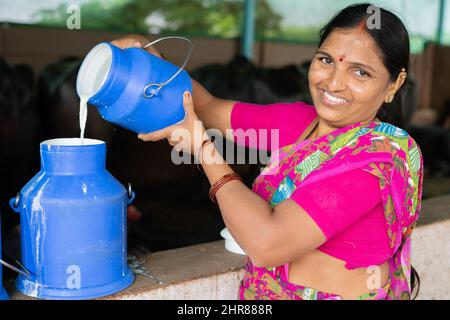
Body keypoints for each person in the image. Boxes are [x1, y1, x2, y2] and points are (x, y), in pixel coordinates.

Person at [111, 3, 423, 300]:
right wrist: (149, 60)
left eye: (360, 73)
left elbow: (266, 243)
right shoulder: (299, 122)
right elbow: (205, 106)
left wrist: (203, 149)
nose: (334, 82)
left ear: (394, 84)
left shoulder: (381, 157)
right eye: (326, 60)